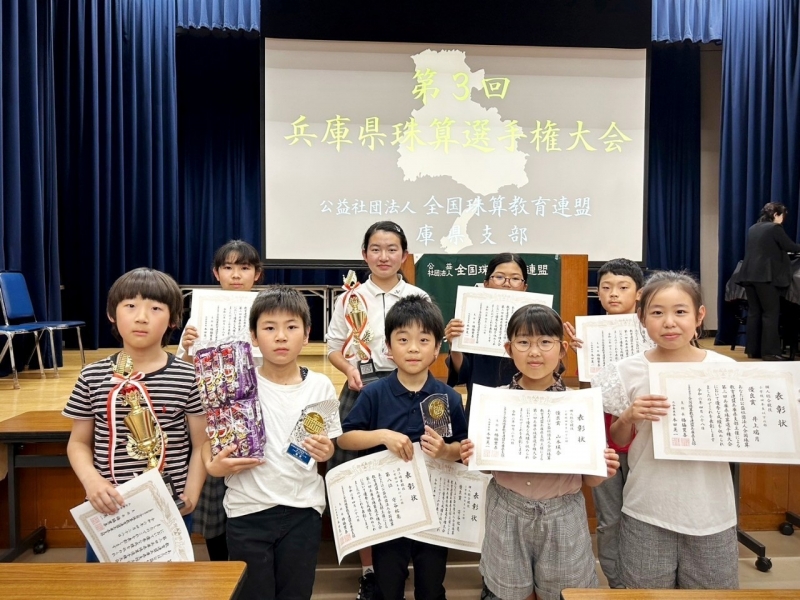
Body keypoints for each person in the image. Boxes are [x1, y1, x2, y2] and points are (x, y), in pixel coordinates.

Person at [461, 304, 619, 600]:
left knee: (563, 592)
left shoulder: (579, 405)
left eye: (545, 342)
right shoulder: (495, 402)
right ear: (509, 349)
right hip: (506, 510)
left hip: (563, 515)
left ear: (562, 349)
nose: (534, 352)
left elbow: (590, 481)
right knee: (510, 592)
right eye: (524, 342)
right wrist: (474, 455)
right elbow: (487, 467)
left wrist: (604, 469)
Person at [593, 271, 739, 589]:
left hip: (711, 510)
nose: (669, 322)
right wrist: (628, 417)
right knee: (645, 593)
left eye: (680, 311)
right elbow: (617, 439)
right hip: (647, 507)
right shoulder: (625, 370)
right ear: (642, 318)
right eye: (657, 312)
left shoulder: (725, 370)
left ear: (699, 315)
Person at [203, 286, 338, 600]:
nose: (280, 337)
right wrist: (215, 466)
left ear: (307, 335)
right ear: (253, 336)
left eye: (291, 327)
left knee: (296, 593)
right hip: (247, 510)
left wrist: (326, 450)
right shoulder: (236, 384)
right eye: (269, 328)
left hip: (303, 511)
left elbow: (326, 445)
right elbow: (212, 446)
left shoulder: (320, 385)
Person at [63, 268, 207, 562]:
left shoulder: (189, 376)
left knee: (170, 582)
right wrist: (92, 483)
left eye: (155, 308)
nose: (142, 317)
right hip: (109, 505)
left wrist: (191, 494)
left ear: (173, 319)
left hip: (170, 503)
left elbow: (201, 443)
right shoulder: (92, 376)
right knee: (107, 583)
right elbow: (78, 443)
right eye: (130, 305)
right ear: (111, 314)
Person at [337, 295, 467, 600]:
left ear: (437, 348)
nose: (413, 348)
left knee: (431, 587)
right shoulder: (374, 393)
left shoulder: (447, 397)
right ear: (388, 347)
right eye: (403, 339)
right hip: (388, 509)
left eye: (424, 340)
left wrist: (445, 451)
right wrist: (382, 436)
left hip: (434, 511)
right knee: (388, 585)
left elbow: (462, 448)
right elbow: (345, 438)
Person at [326, 220, 429, 598]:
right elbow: (334, 348)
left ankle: (405, 563)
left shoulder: (417, 296)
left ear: (404, 255)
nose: (383, 256)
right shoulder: (349, 298)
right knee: (358, 477)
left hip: (408, 389)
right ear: (364, 254)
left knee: (409, 474)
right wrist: (349, 369)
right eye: (375, 249)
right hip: (364, 388)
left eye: (391, 249)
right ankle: (370, 569)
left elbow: (429, 344)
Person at [178, 239, 263, 562]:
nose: (236, 275)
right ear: (216, 273)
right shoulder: (200, 315)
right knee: (215, 500)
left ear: (257, 274)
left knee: (251, 490)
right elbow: (185, 369)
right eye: (228, 267)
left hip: (257, 415)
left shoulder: (266, 311)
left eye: (244, 267)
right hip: (214, 418)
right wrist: (188, 348)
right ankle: (219, 566)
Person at [563, 257, 644, 589]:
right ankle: (617, 582)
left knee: (643, 514)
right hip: (602, 436)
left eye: (623, 287)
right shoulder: (589, 334)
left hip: (644, 437)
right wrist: (580, 357)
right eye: (606, 287)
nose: (614, 294)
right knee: (609, 517)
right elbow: (586, 391)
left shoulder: (653, 331)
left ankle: (642, 579)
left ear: (639, 293)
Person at [444, 253, 527, 421]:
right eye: (499, 277)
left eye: (515, 279)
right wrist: (455, 345)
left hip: (523, 405)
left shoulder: (535, 320)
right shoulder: (471, 317)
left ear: (524, 287)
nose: (507, 284)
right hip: (481, 407)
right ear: (486, 283)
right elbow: (462, 372)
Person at [733, 202, 800, 361]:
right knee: (770, 313)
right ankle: (770, 353)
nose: (783, 219)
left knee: (754, 312)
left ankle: (753, 350)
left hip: (748, 275)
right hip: (765, 277)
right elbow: (789, 246)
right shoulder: (774, 228)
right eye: (782, 216)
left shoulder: (753, 228)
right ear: (776, 214)